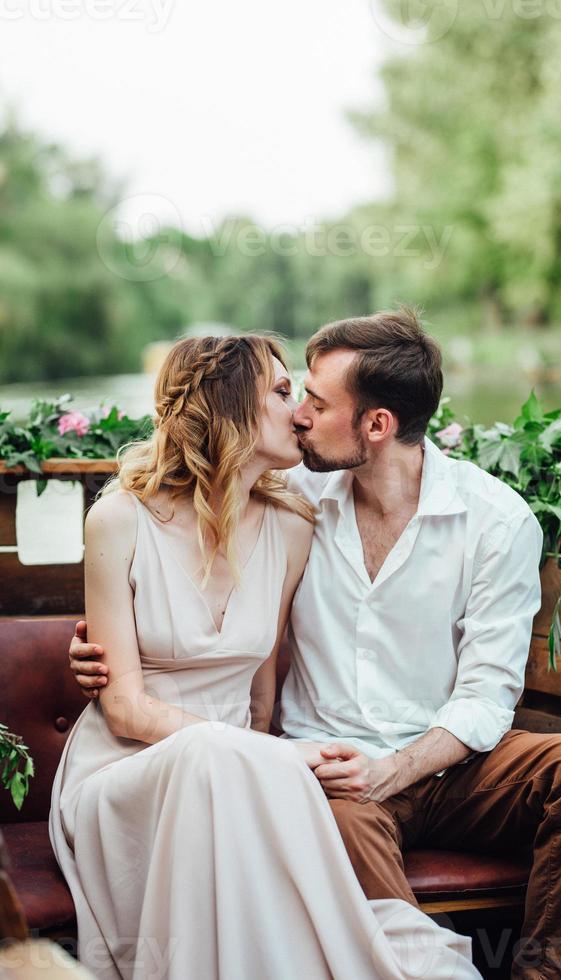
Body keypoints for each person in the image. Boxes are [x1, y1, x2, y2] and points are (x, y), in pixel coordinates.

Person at [69, 310, 561, 980]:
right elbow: (236, 639)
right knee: (347, 824)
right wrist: (114, 651)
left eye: (316, 401)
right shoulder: (293, 498)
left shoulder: (496, 520)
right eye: (293, 395)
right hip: (332, 767)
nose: (301, 415)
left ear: (377, 425)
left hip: (449, 760)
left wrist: (397, 767)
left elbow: (486, 696)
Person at [51, 332, 479, 980]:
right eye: (282, 393)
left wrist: (263, 754)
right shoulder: (118, 519)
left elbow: (259, 693)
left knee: (226, 772)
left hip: (237, 770)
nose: (300, 412)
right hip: (126, 775)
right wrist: (272, 754)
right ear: (229, 409)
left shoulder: (291, 523)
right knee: (209, 756)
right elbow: (125, 710)